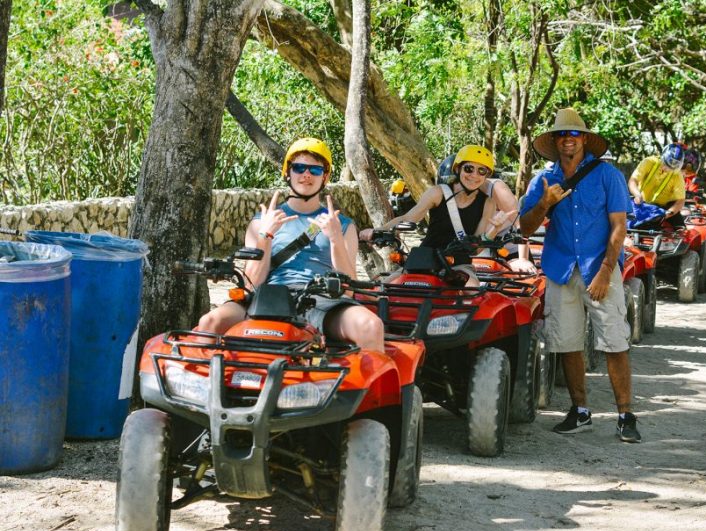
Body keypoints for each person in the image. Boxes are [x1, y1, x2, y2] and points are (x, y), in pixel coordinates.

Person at [519, 107, 640, 443]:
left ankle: (625, 415)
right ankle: (580, 411)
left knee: (614, 341)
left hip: (598, 268)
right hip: (561, 269)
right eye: (561, 135)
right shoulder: (544, 180)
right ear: (554, 141)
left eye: (572, 134)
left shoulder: (607, 175)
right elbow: (525, 228)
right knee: (567, 342)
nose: (566, 140)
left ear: (584, 139)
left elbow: (619, 227)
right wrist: (544, 203)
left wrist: (605, 271)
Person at [198, 137, 385, 352]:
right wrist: (265, 235)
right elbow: (251, 284)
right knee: (209, 323)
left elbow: (348, 290)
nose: (306, 174)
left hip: (322, 300)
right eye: (299, 168)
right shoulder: (262, 221)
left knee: (371, 327)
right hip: (268, 297)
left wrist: (335, 239)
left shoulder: (342, 225)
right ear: (288, 172)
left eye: (315, 170)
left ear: (324, 177)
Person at [358, 145, 520, 282]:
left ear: (487, 175)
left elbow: (477, 248)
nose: (474, 175)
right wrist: (377, 232)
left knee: (472, 293)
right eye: (469, 168)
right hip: (424, 258)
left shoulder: (488, 203)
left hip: (459, 264)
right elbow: (408, 218)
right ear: (458, 168)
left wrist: (495, 229)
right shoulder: (438, 193)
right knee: (385, 289)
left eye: (481, 171)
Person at [628, 143, 687, 229]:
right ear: (663, 157)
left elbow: (680, 201)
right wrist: (637, 194)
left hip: (662, 208)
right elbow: (633, 181)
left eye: (673, 167)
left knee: (681, 232)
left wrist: (668, 213)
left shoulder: (677, 175)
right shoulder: (649, 162)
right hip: (641, 203)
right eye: (666, 165)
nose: (668, 169)